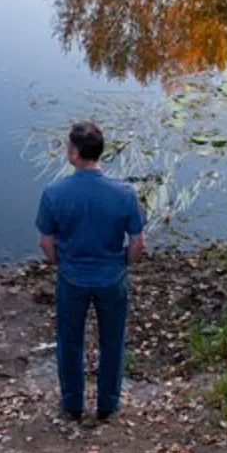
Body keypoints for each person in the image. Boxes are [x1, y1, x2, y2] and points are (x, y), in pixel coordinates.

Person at [35, 122, 145, 422]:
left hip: (72, 278)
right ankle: (108, 403)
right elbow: (138, 242)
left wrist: (61, 263)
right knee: (112, 341)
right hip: (112, 278)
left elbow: (45, 242)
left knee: (70, 341)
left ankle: (73, 403)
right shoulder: (124, 193)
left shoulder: (54, 192)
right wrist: (124, 263)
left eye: (67, 146)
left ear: (75, 154)